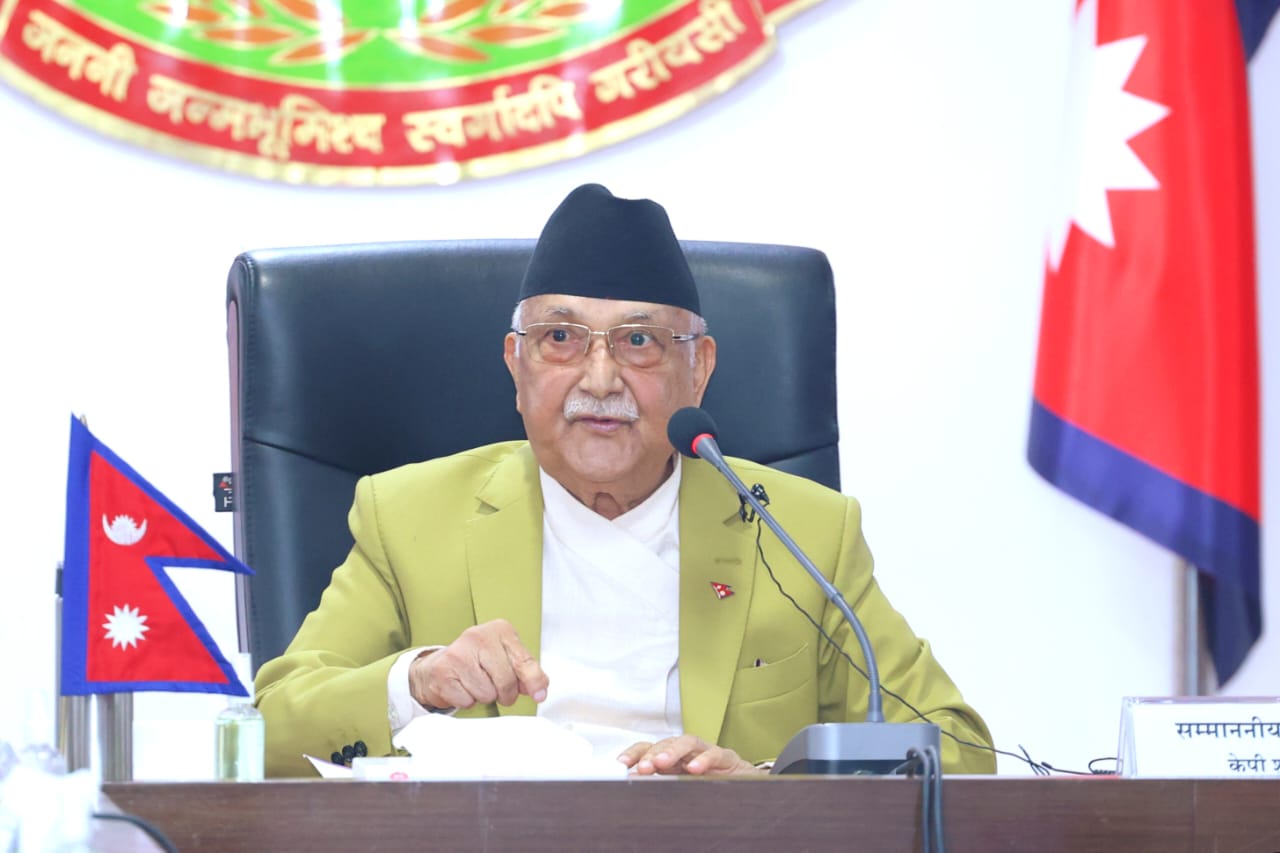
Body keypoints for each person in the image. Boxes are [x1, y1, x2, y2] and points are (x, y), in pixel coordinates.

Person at [255, 183, 996, 778]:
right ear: (516, 365)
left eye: (639, 342)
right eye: (560, 339)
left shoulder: (802, 529)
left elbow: (957, 751)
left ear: (698, 369)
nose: (600, 379)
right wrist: (415, 681)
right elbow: (270, 731)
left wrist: (766, 784)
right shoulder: (409, 515)